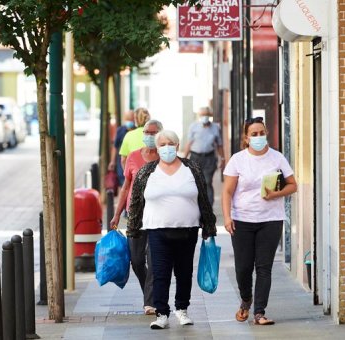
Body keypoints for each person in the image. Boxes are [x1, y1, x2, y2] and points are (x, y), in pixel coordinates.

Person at [127, 130, 217, 330]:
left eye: (171, 143)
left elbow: (203, 197)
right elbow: (135, 202)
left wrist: (209, 226)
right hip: (157, 231)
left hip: (188, 229)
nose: (167, 147)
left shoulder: (192, 168)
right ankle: (161, 313)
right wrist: (133, 229)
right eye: (163, 144)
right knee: (160, 273)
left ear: (177, 146)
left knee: (184, 273)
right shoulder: (146, 172)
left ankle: (182, 309)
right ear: (157, 148)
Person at [221, 117, 298, 326]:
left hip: (270, 220)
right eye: (253, 134)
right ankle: (246, 299)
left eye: (261, 133)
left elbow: (293, 185)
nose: (258, 137)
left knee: (264, 267)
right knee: (243, 268)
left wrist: (275, 194)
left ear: (266, 134)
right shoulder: (238, 160)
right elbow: (227, 191)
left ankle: (259, 312)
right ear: (246, 138)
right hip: (242, 219)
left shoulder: (277, 158)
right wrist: (227, 217)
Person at [109, 119, 163, 315]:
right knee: (137, 260)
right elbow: (125, 188)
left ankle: (150, 301)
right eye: (147, 132)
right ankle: (152, 293)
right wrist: (116, 215)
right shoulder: (132, 157)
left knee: (154, 257)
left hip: (158, 215)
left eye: (154, 132)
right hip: (135, 215)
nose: (149, 136)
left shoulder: (165, 157)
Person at [182, 106, 225, 206]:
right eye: (202, 115)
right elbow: (189, 143)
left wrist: (222, 158)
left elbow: (219, 145)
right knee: (196, 182)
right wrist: (184, 158)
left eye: (206, 115)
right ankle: (198, 205)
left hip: (209, 158)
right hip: (195, 157)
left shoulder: (215, 127)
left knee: (207, 181)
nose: (204, 117)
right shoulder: (193, 126)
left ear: (210, 115)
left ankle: (209, 207)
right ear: (199, 116)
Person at [108, 110, 135, 187]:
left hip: (133, 161)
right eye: (128, 119)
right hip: (121, 162)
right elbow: (115, 146)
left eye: (131, 119)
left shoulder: (137, 130)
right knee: (122, 183)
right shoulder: (120, 130)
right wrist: (112, 161)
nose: (130, 121)